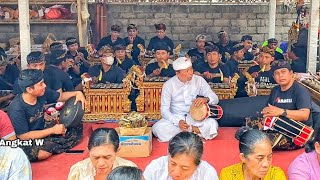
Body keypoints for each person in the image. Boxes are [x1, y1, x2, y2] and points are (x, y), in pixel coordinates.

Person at [7, 69, 85, 161]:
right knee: (43, 153)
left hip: (43, 129)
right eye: (40, 84)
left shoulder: (42, 92)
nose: (44, 86)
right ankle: (57, 142)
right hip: (26, 140)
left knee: (75, 124)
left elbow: (60, 96)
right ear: (29, 89)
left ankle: (56, 142)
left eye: (43, 82)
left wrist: (77, 93)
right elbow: (23, 136)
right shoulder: (16, 109)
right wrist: (52, 130)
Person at [152, 57, 219, 142]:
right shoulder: (168, 85)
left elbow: (215, 98)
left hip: (195, 118)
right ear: (177, 73)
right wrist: (177, 122)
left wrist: (205, 99)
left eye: (191, 69)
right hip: (176, 118)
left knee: (213, 124)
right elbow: (164, 110)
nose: (190, 73)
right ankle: (194, 132)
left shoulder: (199, 80)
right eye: (187, 71)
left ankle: (185, 133)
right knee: (158, 129)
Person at [260, 61, 312, 150]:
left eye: (283, 72)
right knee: (245, 129)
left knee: (259, 144)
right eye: (277, 73)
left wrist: (281, 112)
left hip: (297, 134)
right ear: (274, 77)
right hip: (277, 129)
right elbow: (269, 110)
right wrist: (263, 120)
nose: (281, 76)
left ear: (291, 73)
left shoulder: (300, 90)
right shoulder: (275, 90)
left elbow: (305, 115)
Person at [144, 132, 219, 180]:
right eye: (173, 164)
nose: (176, 173)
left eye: (184, 168)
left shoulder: (208, 174)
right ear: (168, 155)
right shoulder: (155, 169)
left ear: (197, 165)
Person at [68, 128, 136, 180]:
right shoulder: (78, 171)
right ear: (88, 151)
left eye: (107, 157)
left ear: (117, 151)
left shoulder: (129, 170)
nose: (101, 163)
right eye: (96, 157)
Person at [219, 127, 286, 180]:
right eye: (260, 158)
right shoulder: (228, 176)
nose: (266, 164)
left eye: (269, 157)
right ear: (243, 157)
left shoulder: (276, 175)